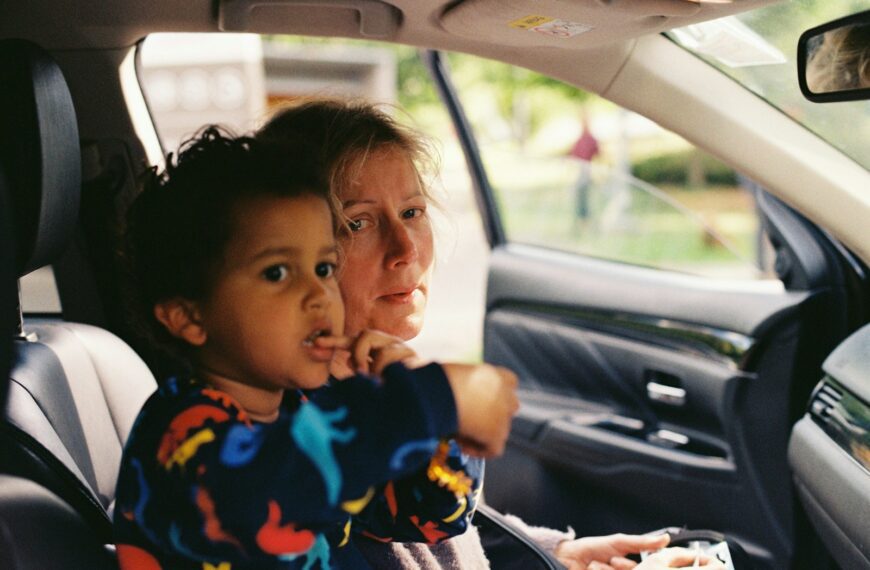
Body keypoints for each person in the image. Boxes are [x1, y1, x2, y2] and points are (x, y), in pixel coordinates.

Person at [256, 99, 725, 570]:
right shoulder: (287, 427)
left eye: (413, 212)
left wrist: (554, 556)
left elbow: (434, 532)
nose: (406, 250)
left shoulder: (356, 382)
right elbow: (426, 512)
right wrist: (437, 397)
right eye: (358, 222)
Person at [114, 127, 522, 569]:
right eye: (277, 273)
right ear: (190, 317)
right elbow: (266, 496)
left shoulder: (298, 414)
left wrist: (448, 436)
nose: (318, 295)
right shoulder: (178, 432)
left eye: (324, 267)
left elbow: (427, 520)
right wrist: (430, 397)